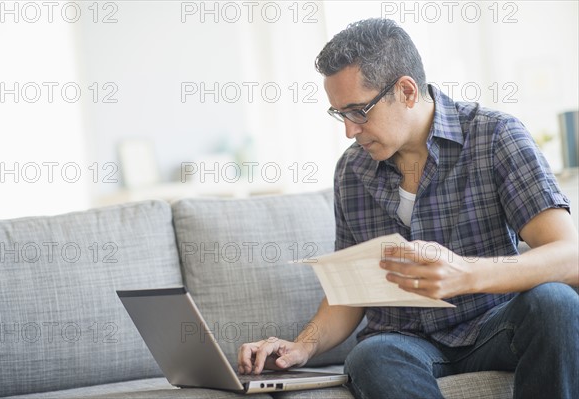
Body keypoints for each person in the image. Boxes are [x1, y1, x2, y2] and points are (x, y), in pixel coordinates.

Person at [237, 18, 578, 398]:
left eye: (358, 111)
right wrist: (303, 345)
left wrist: (467, 274)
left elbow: (570, 257)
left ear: (406, 91)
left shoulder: (495, 136)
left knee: (555, 303)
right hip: (402, 342)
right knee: (371, 355)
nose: (349, 131)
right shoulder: (352, 170)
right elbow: (350, 291)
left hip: (493, 326)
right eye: (339, 114)